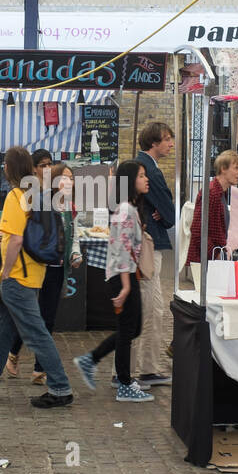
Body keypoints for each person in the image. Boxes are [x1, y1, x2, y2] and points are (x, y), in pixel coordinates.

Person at [0, 146, 74, 408]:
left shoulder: (17, 195)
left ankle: (61, 387)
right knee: (5, 330)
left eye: (4, 163)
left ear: (9, 168)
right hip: (34, 272)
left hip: (17, 275)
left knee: (36, 333)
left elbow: (15, 240)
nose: (3, 167)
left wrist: (4, 273)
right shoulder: (38, 193)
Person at [73, 160, 155, 402]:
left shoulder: (129, 208)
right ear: (130, 181)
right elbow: (121, 247)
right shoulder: (125, 210)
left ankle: (94, 361)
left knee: (131, 327)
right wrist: (127, 285)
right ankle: (124, 383)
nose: (146, 179)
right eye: (141, 175)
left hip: (126, 275)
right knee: (129, 328)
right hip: (123, 277)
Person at [8, 162, 83, 384]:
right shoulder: (41, 203)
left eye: (71, 178)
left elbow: (74, 235)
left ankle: (39, 369)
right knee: (31, 317)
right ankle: (13, 352)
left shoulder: (70, 206)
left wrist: (75, 253)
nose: (68, 182)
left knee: (47, 318)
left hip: (58, 267)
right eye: (64, 178)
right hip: (38, 267)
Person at [133, 122, 175, 387]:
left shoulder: (141, 166)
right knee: (149, 309)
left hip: (148, 244)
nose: (171, 143)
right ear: (153, 143)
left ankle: (149, 366)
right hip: (149, 245)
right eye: (167, 139)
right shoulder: (150, 170)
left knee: (155, 309)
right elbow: (170, 213)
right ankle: (133, 371)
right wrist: (161, 214)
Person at [186, 150, 238, 267]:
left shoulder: (220, 192)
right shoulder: (212, 193)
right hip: (206, 260)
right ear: (223, 169)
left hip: (213, 258)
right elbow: (198, 230)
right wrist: (215, 255)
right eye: (236, 168)